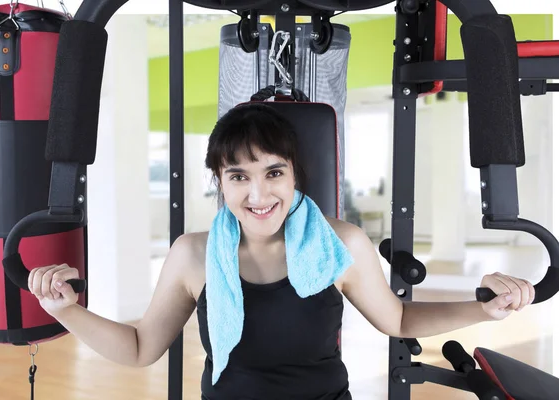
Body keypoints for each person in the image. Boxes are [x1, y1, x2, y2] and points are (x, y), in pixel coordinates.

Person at [28, 103, 535, 399]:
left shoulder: (341, 243)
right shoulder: (193, 255)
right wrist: (64, 310)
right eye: (238, 177)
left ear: (294, 175)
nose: (258, 195)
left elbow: (398, 321)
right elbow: (140, 348)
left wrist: (484, 310)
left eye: (273, 173)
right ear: (219, 184)